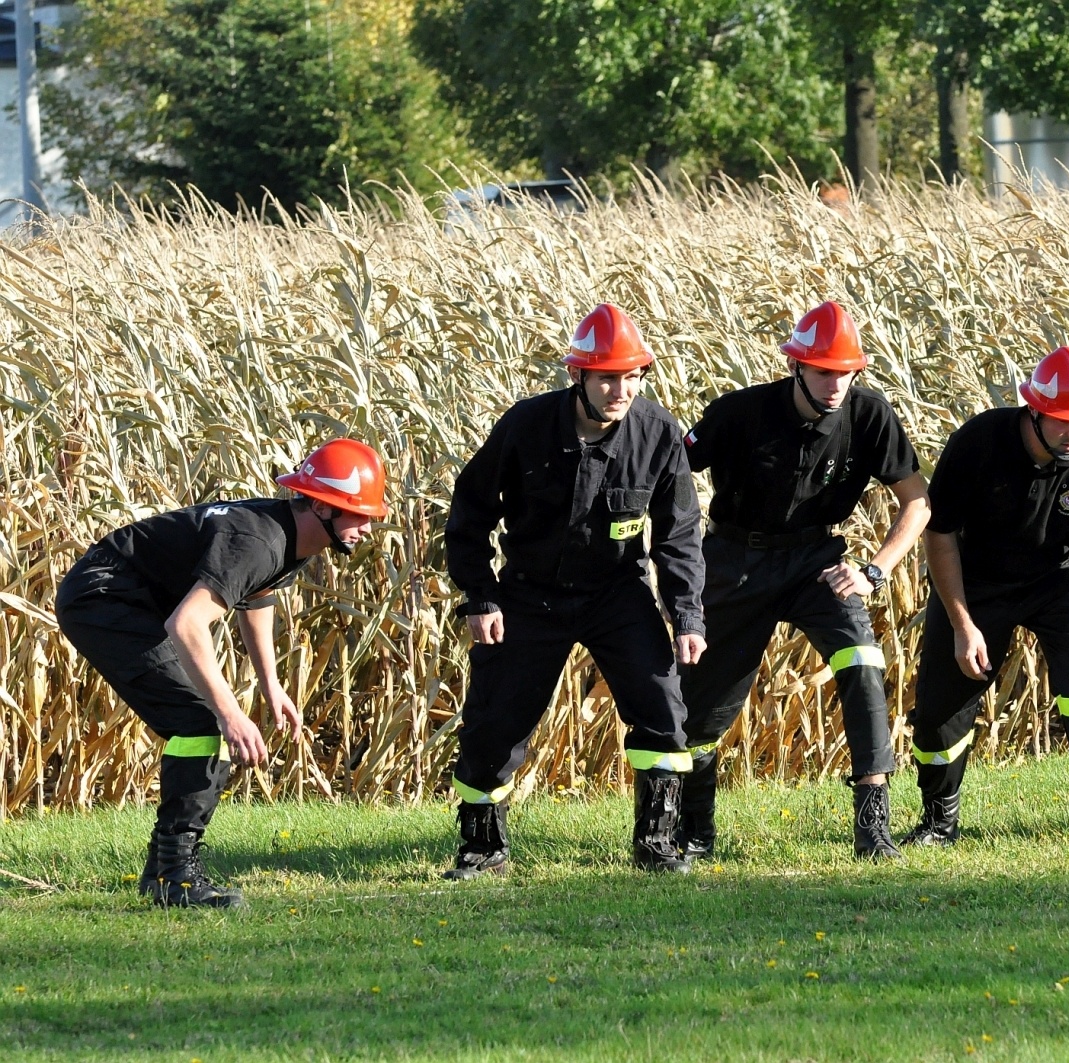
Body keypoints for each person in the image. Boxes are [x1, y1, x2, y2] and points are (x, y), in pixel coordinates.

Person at [54, 438, 387, 908]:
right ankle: (175, 879)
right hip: (101, 598)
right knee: (201, 723)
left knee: (199, 722)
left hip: (128, 598)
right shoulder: (259, 541)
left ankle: (164, 872)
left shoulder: (293, 534)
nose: (368, 526)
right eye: (357, 513)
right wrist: (231, 714)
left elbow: (257, 597)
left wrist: (271, 684)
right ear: (319, 505)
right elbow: (186, 623)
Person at [443, 302, 706, 876]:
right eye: (608, 376)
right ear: (577, 376)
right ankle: (482, 849)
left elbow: (680, 533)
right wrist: (481, 597)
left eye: (632, 376)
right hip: (528, 594)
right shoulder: (525, 427)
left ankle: (657, 844)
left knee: (661, 702)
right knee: (497, 719)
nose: (620, 389)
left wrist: (687, 616)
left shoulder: (658, 433)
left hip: (617, 592)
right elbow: (469, 515)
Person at [678, 300, 930, 861]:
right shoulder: (739, 413)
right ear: (796, 366)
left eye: (846, 372)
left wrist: (874, 570)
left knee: (863, 664)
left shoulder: (870, 416)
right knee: (704, 707)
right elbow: (666, 473)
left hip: (818, 561)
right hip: (735, 559)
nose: (836, 384)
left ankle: (874, 827)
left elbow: (917, 502)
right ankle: (695, 833)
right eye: (823, 371)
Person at [903, 346, 1069, 848]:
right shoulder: (979, 443)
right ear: (1035, 411)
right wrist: (961, 624)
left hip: (1057, 579)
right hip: (977, 579)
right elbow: (939, 536)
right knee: (941, 705)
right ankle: (939, 821)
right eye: (1065, 421)